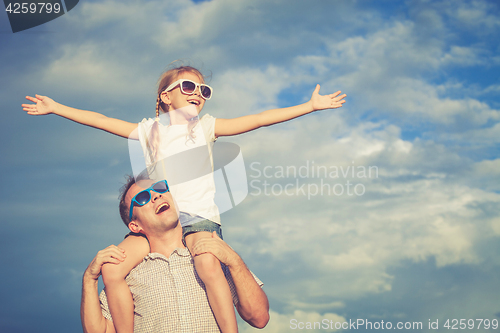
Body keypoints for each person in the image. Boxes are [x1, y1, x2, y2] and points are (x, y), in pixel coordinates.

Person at [23, 64, 346, 333]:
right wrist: (56, 108)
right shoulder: (149, 131)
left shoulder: (206, 128)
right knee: (112, 267)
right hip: (159, 223)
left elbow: (259, 120)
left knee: (207, 265)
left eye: (205, 90)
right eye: (189, 86)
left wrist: (310, 107)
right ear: (165, 96)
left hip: (199, 218)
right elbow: (102, 121)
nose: (198, 94)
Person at [81, 174, 270, 333]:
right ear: (134, 225)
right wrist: (89, 279)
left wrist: (234, 262)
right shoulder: (126, 275)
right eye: (143, 198)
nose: (156, 196)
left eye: (160, 188)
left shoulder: (211, 256)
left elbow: (260, 318)